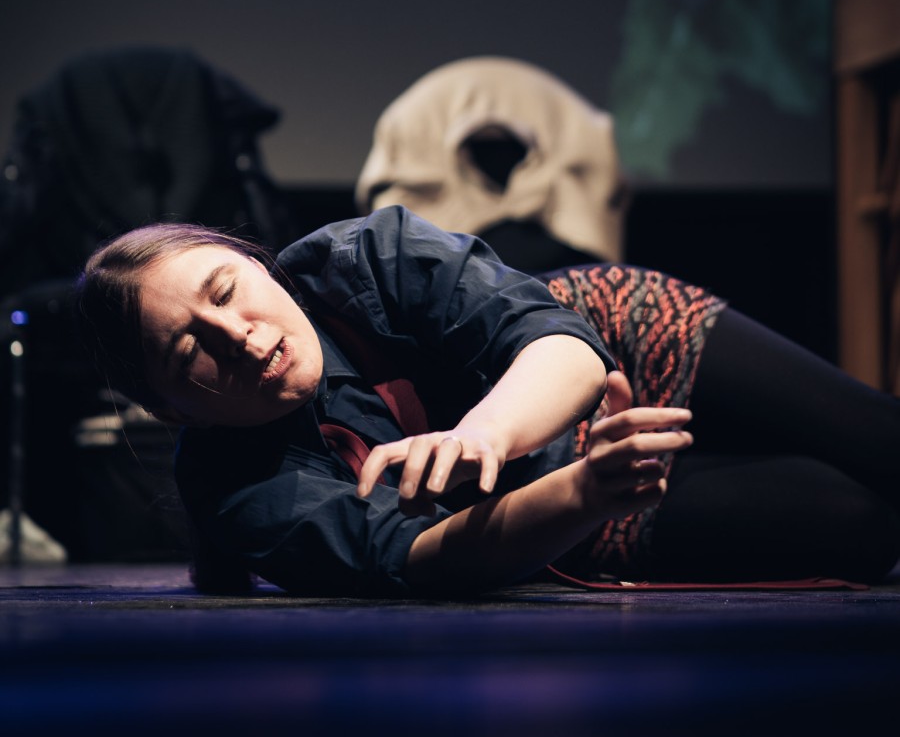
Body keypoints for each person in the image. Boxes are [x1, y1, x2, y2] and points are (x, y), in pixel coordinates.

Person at [77, 205, 900, 597]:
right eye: (189, 351)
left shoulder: (364, 257)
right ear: (173, 410)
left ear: (257, 264)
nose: (237, 335)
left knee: (882, 442)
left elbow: (565, 347)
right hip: (566, 508)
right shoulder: (237, 490)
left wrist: (484, 434)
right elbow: (419, 557)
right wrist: (582, 489)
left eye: (227, 290)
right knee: (860, 523)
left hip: (623, 335)